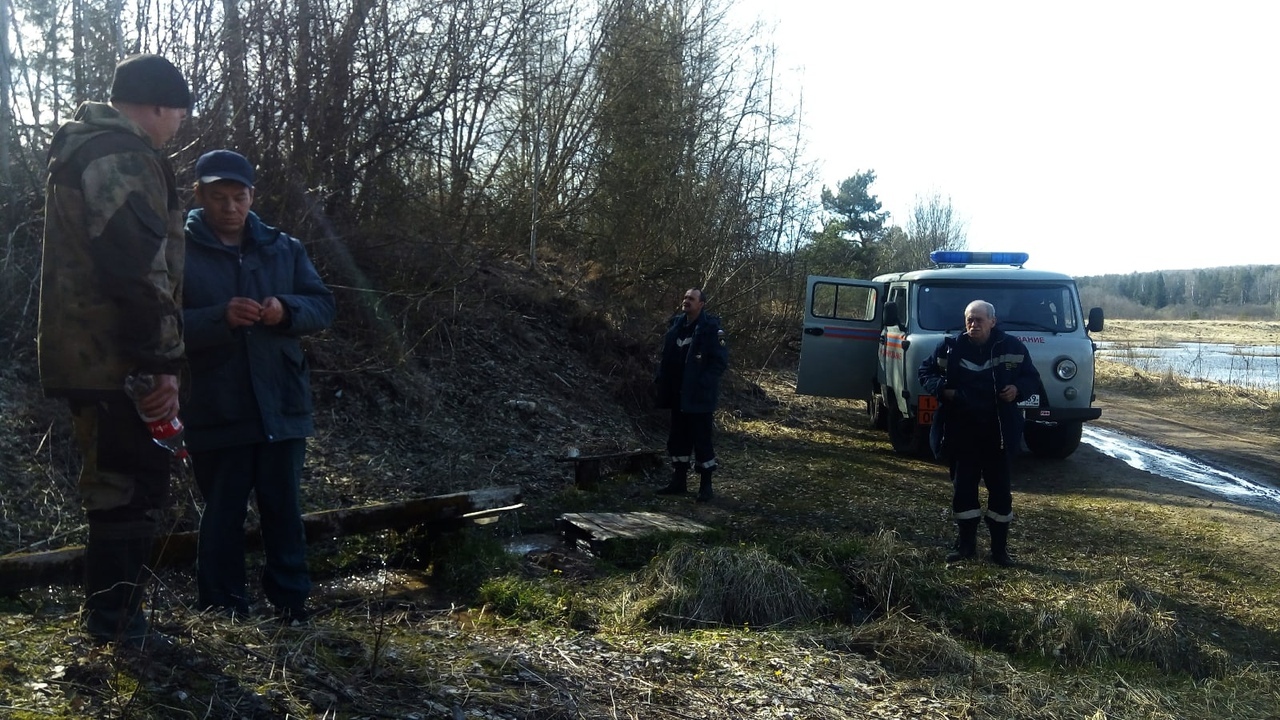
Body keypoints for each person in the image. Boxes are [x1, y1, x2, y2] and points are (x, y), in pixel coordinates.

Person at [37, 54, 190, 648]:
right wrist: (160, 364)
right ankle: (116, 627)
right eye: (177, 109)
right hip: (117, 360)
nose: (179, 121)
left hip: (98, 353)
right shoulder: (118, 153)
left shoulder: (94, 147)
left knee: (121, 484)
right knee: (127, 487)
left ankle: (116, 622)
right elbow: (137, 270)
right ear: (155, 104)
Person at [182, 149, 335, 622]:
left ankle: (291, 605)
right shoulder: (175, 249)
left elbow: (322, 306)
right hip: (215, 403)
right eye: (219, 197)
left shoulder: (284, 247)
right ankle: (222, 609)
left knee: (283, 509)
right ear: (200, 196)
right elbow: (158, 325)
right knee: (223, 512)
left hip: (282, 404)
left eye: (239, 196)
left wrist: (284, 310)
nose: (230, 207)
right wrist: (217, 318)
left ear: (253, 196)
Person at [918, 300, 1041, 566]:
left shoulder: (1012, 347)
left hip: (998, 434)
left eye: (979, 320)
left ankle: (999, 551)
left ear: (993, 322)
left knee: (1000, 493)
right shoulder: (949, 347)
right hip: (961, 433)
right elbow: (925, 372)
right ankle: (965, 546)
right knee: (963, 491)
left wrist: (1017, 389)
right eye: (969, 320)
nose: (974, 325)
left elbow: (1032, 379)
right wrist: (942, 389)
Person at [653, 288, 729, 502]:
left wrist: (703, 383)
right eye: (685, 297)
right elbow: (667, 357)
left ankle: (706, 487)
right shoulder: (676, 326)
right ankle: (679, 481)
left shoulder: (711, 329)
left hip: (700, 398)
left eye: (691, 299)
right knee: (678, 439)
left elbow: (719, 363)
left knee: (702, 440)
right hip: (678, 395)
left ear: (701, 304)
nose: (686, 301)